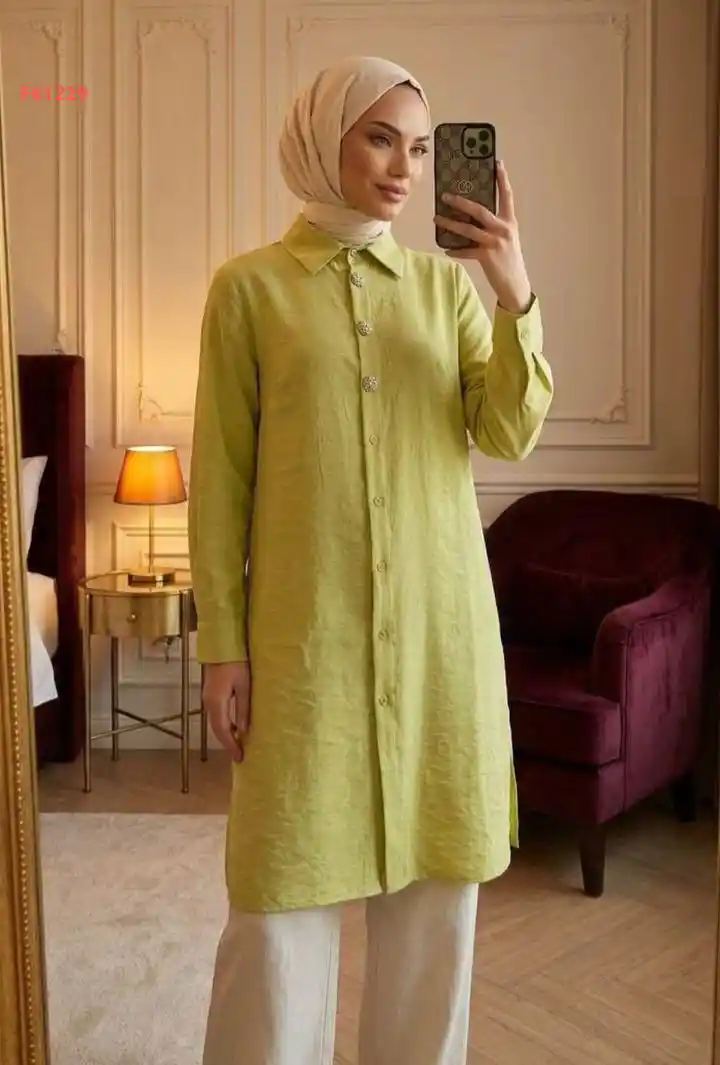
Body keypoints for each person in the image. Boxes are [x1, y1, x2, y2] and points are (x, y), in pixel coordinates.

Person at [188, 54, 553, 1065]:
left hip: (441, 648)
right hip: (306, 654)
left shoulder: (446, 290)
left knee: (436, 921)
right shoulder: (249, 290)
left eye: (422, 149)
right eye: (381, 139)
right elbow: (221, 481)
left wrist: (514, 291)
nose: (404, 168)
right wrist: (223, 646)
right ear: (323, 142)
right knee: (276, 916)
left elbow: (510, 431)